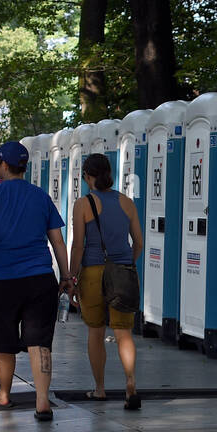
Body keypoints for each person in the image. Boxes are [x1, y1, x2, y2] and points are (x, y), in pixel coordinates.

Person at [0, 140, 70, 422]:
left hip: (2, 282)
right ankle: (43, 401)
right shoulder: (40, 196)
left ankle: (5, 394)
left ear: (3, 165)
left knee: (3, 343)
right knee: (40, 343)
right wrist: (66, 274)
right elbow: (57, 239)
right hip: (40, 280)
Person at [68, 153, 143, 410]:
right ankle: (130, 384)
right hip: (122, 270)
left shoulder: (83, 204)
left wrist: (70, 277)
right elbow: (139, 244)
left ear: (88, 176)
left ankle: (99, 389)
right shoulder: (127, 203)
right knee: (123, 333)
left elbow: (78, 246)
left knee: (96, 332)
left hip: (92, 274)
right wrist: (124, 264)